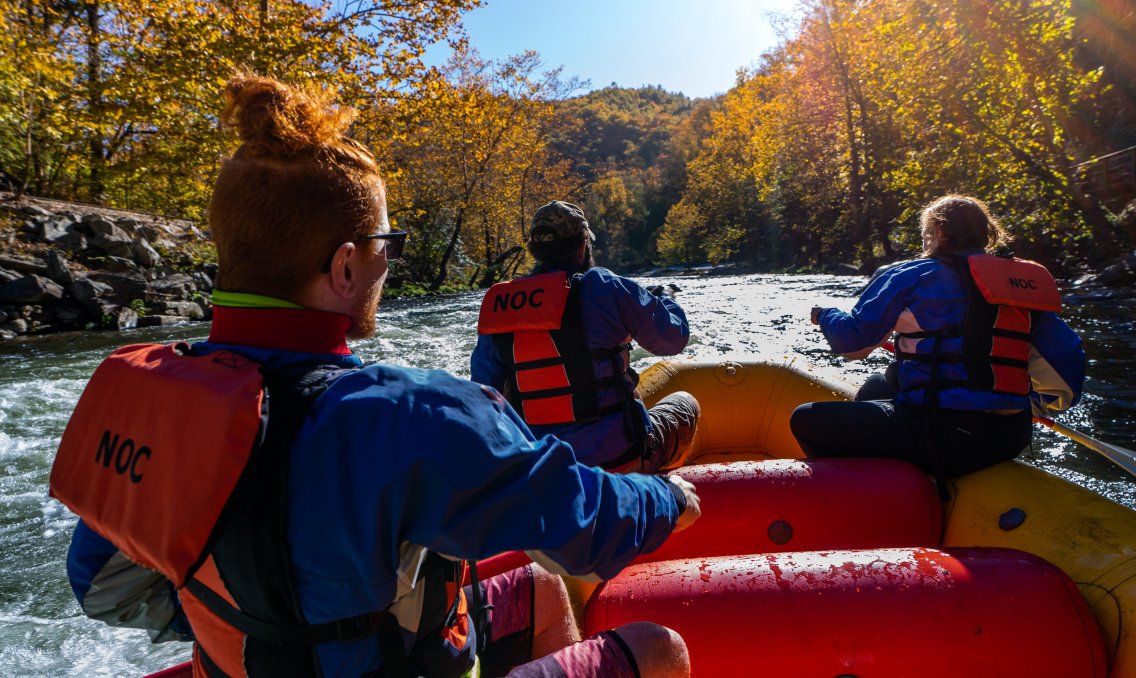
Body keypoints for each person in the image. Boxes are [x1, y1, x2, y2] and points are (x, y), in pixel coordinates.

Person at [50, 75, 699, 678]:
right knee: (657, 648)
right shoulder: (411, 418)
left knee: (538, 588)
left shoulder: (157, 407)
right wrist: (668, 500)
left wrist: (263, 613)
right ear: (345, 267)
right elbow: (586, 529)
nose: (389, 262)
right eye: (386, 244)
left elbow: (101, 587)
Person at [790, 194, 1085, 482]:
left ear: (939, 231)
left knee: (805, 418)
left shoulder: (912, 275)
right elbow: (1069, 362)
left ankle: (870, 498)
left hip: (941, 437)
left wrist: (825, 315)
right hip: (1010, 435)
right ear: (986, 236)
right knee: (880, 382)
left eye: (925, 233)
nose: (924, 240)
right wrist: (1031, 401)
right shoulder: (1019, 286)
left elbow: (852, 344)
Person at [472, 201, 700, 474]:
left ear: (536, 252)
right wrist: (665, 298)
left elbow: (484, 399)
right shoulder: (606, 286)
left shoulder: (502, 304)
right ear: (583, 246)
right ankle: (657, 486)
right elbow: (673, 339)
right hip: (619, 460)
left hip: (544, 469)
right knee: (686, 404)